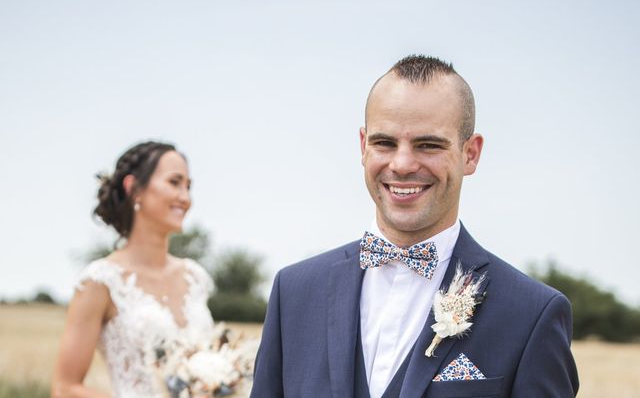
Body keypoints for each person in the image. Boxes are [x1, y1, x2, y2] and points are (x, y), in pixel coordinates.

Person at [251, 55, 579, 397]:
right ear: (363, 146)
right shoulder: (294, 292)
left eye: (428, 145)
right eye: (385, 142)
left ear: (471, 154)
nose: (403, 164)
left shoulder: (531, 314)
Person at [52, 141, 215, 398]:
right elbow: (64, 389)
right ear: (134, 189)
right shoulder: (101, 281)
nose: (185, 198)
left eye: (188, 186)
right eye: (174, 182)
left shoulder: (195, 278)